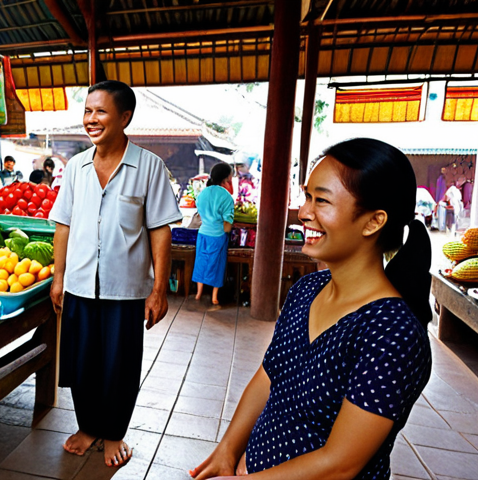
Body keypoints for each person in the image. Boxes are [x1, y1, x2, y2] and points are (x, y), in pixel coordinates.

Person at [191, 138, 433, 480]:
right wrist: (228, 451)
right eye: (307, 197)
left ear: (373, 222)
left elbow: (340, 463)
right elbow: (268, 376)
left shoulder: (392, 332)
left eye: (322, 200)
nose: (305, 213)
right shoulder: (307, 290)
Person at [49, 80, 182, 468]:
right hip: (78, 285)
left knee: (119, 366)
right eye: (88, 111)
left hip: (125, 290)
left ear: (124, 117)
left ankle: (114, 433)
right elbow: (63, 225)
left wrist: (159, 289)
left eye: (101, 111)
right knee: (82, 363)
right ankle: (87, 426)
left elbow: (160, 229)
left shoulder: (149, 167)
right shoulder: (75, 167)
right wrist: (59, 278)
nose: (91, 119)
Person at [192, 162, 235, 305]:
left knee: (201, 261)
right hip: (218, 235)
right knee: (217, 264)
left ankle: (198, 293)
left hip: (203, 234)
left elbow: (200, 211)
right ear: (227, 178)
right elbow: (227, 222)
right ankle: (214, 297)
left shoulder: (203, 193)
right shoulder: (226, 197)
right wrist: (227, 232)